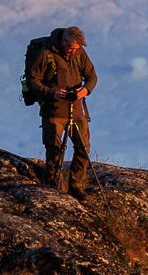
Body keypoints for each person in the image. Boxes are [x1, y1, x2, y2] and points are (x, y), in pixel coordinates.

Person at [26, 24, 98, 194]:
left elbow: (92, 76)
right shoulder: (46, 54)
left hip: (76, 109)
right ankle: (53, 188)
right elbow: (32, 80)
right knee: (54, 151)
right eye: (72, 48)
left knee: (83, 148)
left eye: (77, 49)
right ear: (65, 42)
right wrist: (51, 93)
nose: (74, 52)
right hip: (54, 110)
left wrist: (85, 90)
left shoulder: (79, 53)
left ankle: (76, 187)